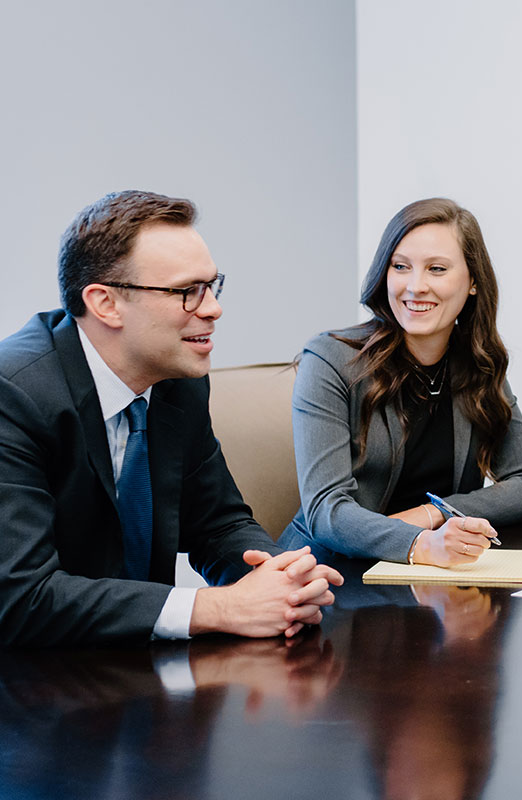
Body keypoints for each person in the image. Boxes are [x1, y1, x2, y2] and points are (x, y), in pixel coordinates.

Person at [0, 190, 343, 647]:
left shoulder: (178, 382)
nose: (212, 308)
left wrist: (280, 576)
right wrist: (218, 607)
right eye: (187, 291)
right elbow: (20, 597)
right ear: (105, 303)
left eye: (212, 285)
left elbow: (218, 524)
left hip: (138, 673)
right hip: (31, 685)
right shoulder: (14, 394)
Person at [278, 198, 522, 566]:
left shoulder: (477, 366)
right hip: (327, 573)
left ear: (473, 282)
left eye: (437, 269)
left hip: (426, 577)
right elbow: (327, 511)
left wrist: (433, 513)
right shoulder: (331, 360)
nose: (415, 286)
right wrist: (419, 542)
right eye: (400, 267)